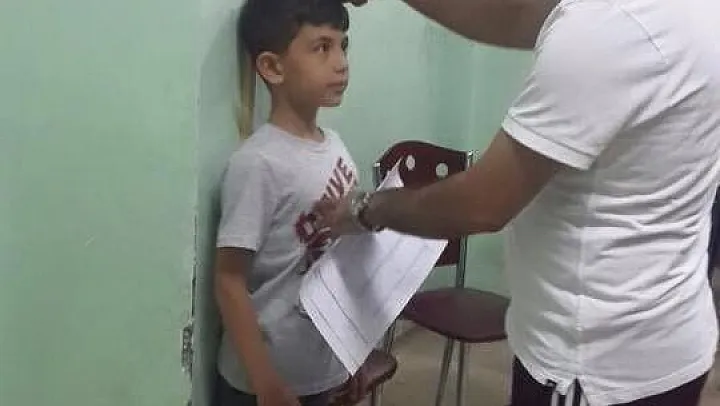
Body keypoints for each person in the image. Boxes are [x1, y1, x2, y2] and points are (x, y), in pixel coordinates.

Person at [318, 0, 720, 405]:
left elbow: (482, 205)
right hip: (667, 337)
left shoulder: (612, 26)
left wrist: (367, 208)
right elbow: (519, 19)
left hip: (594, 367)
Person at [213, 1, 367, 405]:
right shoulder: (258, 163)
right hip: (262, 385)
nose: (341, 63)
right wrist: (266, 382)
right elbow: (228, 280)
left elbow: (342, 263)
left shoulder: (337, 148)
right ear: (273, 67)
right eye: (322, 47)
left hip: (322, 368)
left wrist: (351, 353)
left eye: (343, 46)